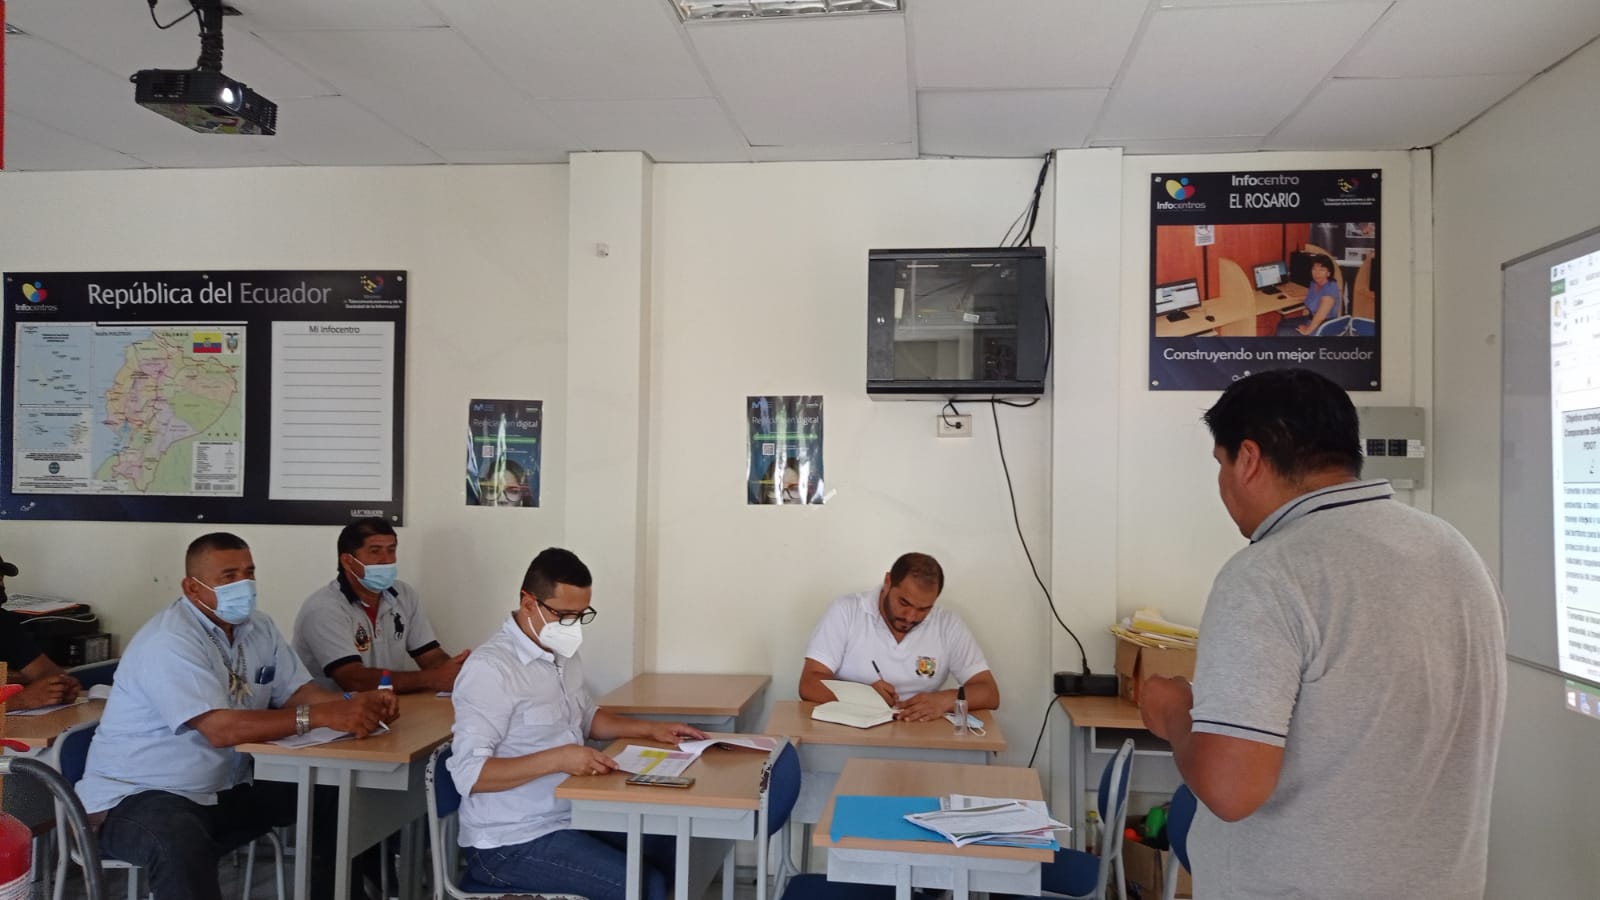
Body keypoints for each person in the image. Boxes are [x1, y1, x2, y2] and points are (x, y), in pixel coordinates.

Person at [1138, 369, 1506, 900]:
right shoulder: (1455, 553)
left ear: (1249, 458)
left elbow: (1230, 788)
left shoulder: (1270, 572)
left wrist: (1175, 713)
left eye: (1221, 464)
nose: (1222, 484)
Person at [76, 532, 399, 900]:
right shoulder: (169, 641)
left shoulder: (259, 627)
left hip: (224, 788)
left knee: (331, 789)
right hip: (139, 798)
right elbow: (220, 729)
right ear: (192, 588)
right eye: (229, 576)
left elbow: (298, 693)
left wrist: (356, 705)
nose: (243, 585)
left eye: (249, 573)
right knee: (178, 838)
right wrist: (322, 716)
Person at [447, 548, 705, 900]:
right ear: (528, 603)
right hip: (509, 841)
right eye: (564, 615)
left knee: (672, 844)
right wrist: (559, 759)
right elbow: (470, 775)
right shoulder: (490, 670)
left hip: (571, 814)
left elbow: (585, 717)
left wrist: (650, 729)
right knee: (642, 885)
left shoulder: (561, 654)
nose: (572, 626)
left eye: (581, 615)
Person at [798, 552, 999, 721]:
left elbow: (989, 692)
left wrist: (945, 700)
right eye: (904, 603)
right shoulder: (847, 611)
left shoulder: (947, 624)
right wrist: (863, 696)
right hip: (851, 731)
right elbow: (808, 684)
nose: (911, 617)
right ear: (888, 582)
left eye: (923, 609)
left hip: (919, 734)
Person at [293, 517, 468, 693]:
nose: (386, 559)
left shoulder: (404, 594)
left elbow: (430, 656)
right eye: (375, 551)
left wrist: (458, 670)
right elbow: (353, 679)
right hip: (334, 707)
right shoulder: (324, 608)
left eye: (391, 550)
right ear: (347, 561)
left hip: (388, 703)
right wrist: (432, 679)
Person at [0, 553, 82, 710]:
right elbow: (25, 696)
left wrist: (61, 687)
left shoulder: (3, 622)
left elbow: (46, 672)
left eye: (1, 577)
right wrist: (20, 700)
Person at [1279, 254, 1342, 335]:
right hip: (1311, 319)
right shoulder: (1314, 283)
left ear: (1328, 273)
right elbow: (1312, 297)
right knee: (1282, 323)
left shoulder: (1330, 288)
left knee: (1282, 332)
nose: (1317, 273)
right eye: (1314, 269)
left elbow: (1321, 315)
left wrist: (1307, 330)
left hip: (1323, 326)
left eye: (1321, 270)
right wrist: (1292, 298)